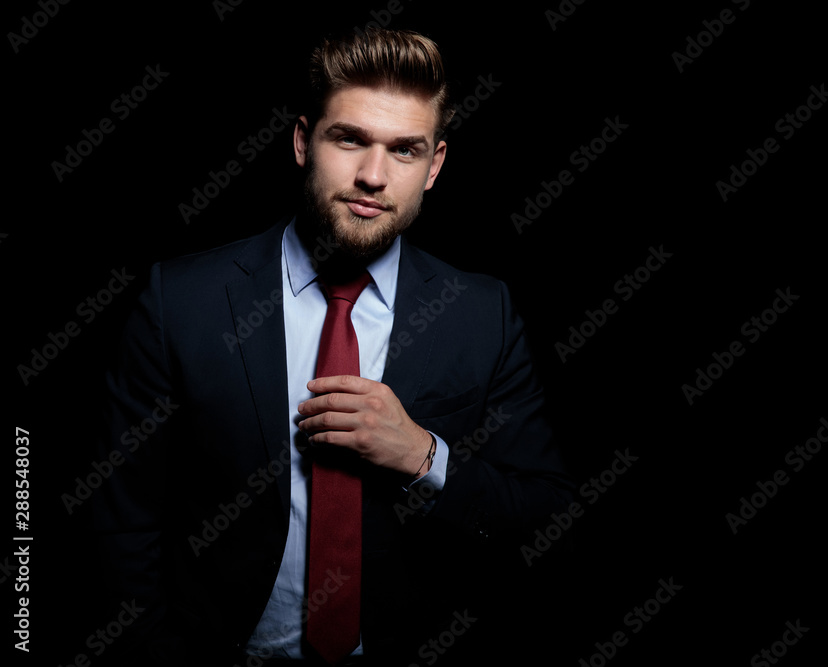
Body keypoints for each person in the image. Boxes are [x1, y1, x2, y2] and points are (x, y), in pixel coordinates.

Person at [93, 27, 574, 666]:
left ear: (434, 167)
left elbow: (543, 511)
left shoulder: (483, 313)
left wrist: (423, 457)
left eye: (405, 151)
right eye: (349, 139)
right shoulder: (181, 301)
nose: (373, 176)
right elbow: (120, 517)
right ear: (302, 141)